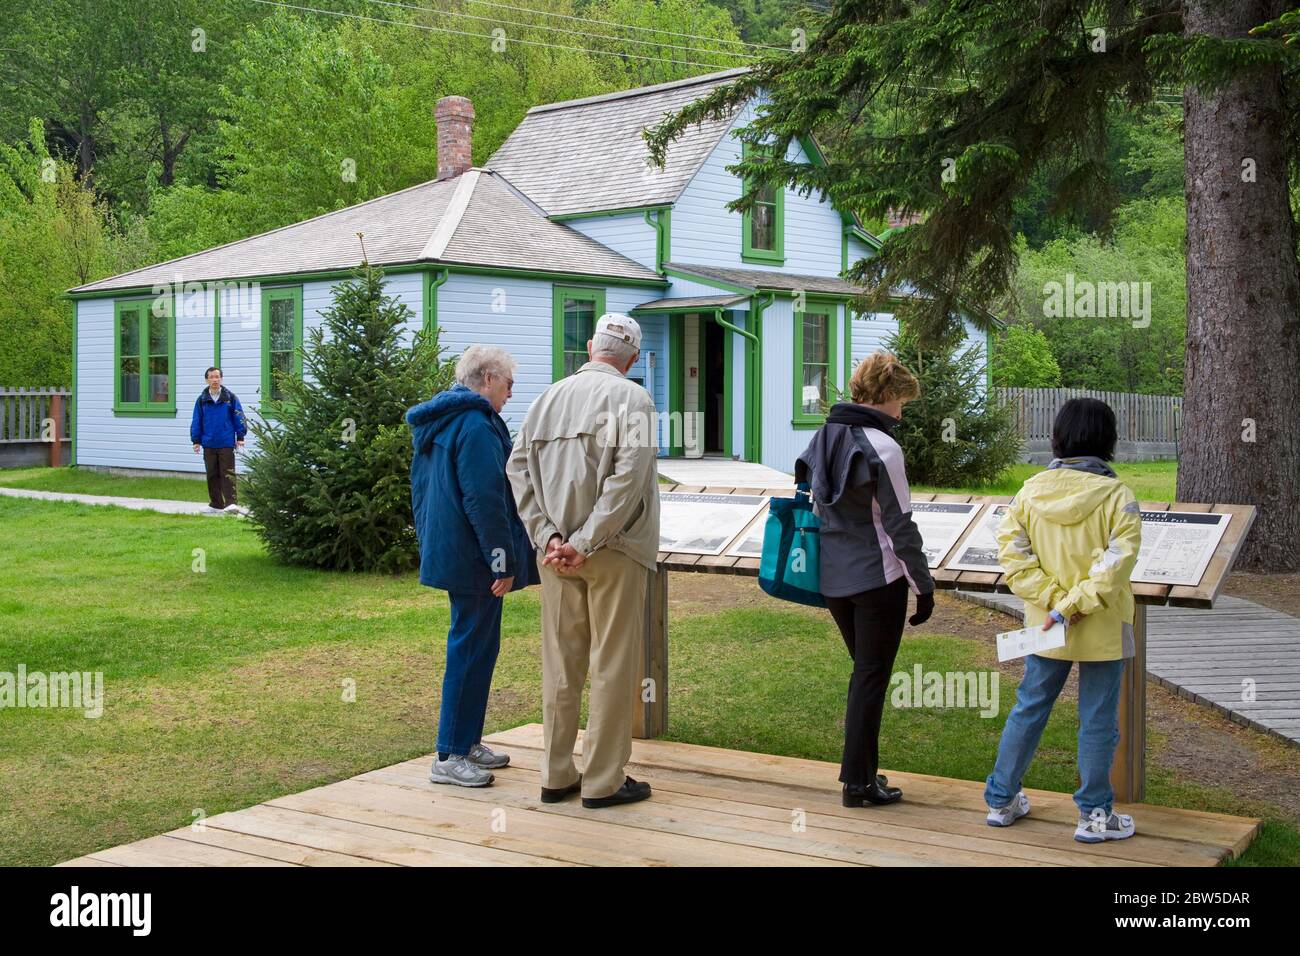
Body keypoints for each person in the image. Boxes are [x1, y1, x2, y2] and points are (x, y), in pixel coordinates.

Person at [507, 313, 660, 809]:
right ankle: (602, 780)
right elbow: (627, 482)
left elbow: (518, 470)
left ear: (591, 346)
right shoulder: (633, 399)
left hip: (557, 555)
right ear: (632, 358)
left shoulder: (545, 398)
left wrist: (548, 536)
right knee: (612, 664)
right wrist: (584, 540)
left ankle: (555, 773)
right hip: (614, 550)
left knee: (561, 664)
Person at [984, 397, 1142, 843]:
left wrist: (1055, 604)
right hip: (1103, 626)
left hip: (1048, 627)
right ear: (1107, 439)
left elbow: (1014, 561)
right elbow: (1115, 567)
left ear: (1059, 436)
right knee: (1098, 719)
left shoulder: (1029, 492)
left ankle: (1000, 801)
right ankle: (1094, 817)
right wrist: (1072, 604)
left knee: (1029, 706)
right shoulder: (1119, 496)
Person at [796, 351, 935, 808]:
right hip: (878, 580)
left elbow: (814, 502)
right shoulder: (884, 447)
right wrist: (924, 586)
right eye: (902, 402)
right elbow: (900, 526)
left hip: (833, 578)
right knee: (870, 678)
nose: (902, 411)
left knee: (865, 676)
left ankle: (861, 775)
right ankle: (858, 783)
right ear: (889, 395)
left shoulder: (823, 435)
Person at [407, 345, 539, 788]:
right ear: (486, 380)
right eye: (507, 384)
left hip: (456, 552)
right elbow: (485, 501)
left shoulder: (443, 421)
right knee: (469, 649)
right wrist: (502, 562)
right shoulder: (477, 426)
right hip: (475, 560)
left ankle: (467, 741)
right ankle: (449, 754)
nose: (510, 393)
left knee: (480, 648)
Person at [190, 367, 247, 511]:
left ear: (221, 379)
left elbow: (239, 416)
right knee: (212, 475)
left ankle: (231, 504)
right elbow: (197, 420)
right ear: (206, 380)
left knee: (228, 473)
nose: (215, 380)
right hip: (208, 443)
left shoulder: (230, 398)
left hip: (226, 442)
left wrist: (240, 436)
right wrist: (196, 440)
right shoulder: (202, 400)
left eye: (217, 377)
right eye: (211, 377)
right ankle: (216, 504)